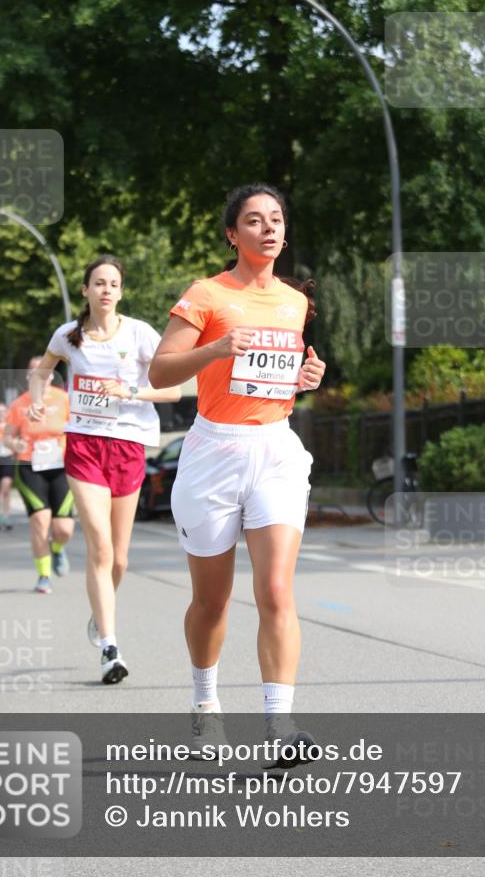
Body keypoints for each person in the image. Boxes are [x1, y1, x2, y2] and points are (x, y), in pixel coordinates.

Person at [148, 183, 326, 760]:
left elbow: (274, 377)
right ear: (232, 234)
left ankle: (279, 727)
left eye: (276, 219)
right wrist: (217, 349)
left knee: (276, 588)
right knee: (213, 601)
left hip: (274, 448)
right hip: (214, 454)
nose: (268, 228)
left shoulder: (295, 302)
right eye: (254, 220)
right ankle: (205, 705)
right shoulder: (205, 294)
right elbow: (160, 371)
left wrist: (302, 380)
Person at [29, 255, 182, 685]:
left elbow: (174, 388)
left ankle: (101, 613)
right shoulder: (68, 336)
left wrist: (131, 389)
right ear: (85, 290)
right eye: (99, 283)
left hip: (129, 445)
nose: (107, 290)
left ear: (121, 291)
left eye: (114, 283)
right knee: (99, 548)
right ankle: (110, 647)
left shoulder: (139, 334)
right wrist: (40, 397)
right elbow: (41, 374)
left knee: (120, 557)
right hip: (83, 446)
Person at [5, 359, 75, 594]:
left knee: (64, 528)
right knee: (40, 520)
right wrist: (14, 442)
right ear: (28, 378)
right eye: (33, 373)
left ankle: (57, 548)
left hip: (61, 466)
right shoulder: (19, 405)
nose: (39, 377)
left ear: (51, 376)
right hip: (29, 465)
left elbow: (78, 426)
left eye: (43, 373)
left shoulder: (63, 399)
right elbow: (6, 436)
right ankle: (43, 575)